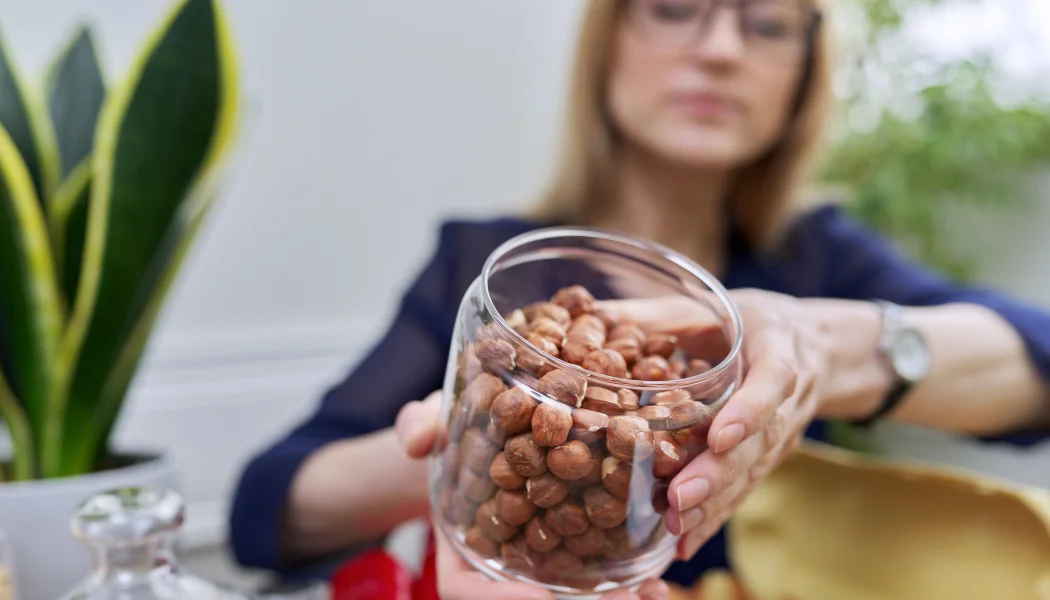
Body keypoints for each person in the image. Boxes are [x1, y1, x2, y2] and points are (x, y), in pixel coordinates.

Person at [228, 0, 1050, 598]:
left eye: (766, 25)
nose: (721, 49)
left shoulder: (815, 257)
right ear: (609, 36)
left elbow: (1034, 357)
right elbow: (268, 503)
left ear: (803, 74)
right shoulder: (483, 264)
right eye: (674, 8)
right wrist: (470, 449)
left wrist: (822, 347)